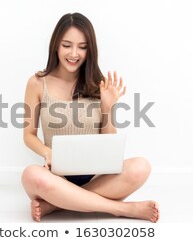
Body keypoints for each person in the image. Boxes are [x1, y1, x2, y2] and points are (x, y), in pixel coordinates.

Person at [21, 12, 160, 223]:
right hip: (56, 177)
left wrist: (107, 107)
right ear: (56, 45)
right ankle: (120, 209)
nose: (74, 53)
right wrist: (46, 152)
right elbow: (29, 135)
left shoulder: (99, 83)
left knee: (141, 166)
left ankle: (56, 205)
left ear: (90, 49)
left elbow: (110, 142)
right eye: (67, 45)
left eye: (82, 47)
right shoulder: (37, 83)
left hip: (97, 176)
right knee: (30, 175)